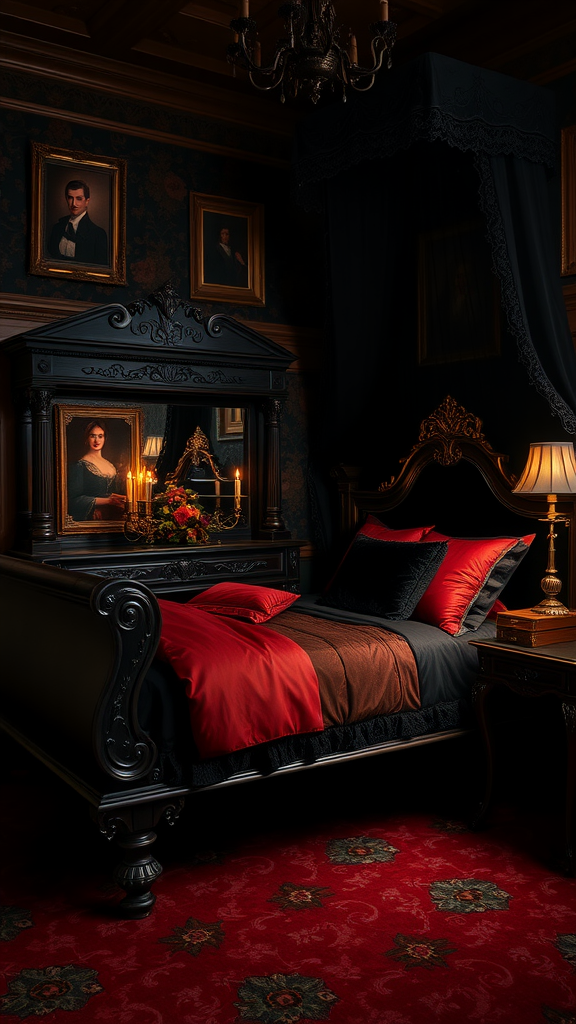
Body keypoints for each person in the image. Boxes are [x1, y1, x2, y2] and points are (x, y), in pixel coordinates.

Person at [68, 420, 126, 521]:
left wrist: (120, 497)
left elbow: (107, 492)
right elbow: (74, 500)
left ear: (105, 438)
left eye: (100, 436)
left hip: (112, 518)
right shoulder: (79, 465)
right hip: (93, 518)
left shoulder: (110, 465)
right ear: (87, 438)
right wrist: (108, 501)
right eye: (92, 436)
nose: (97, 441)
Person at [47, 180, 108, 265]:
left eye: (79, 198)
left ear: (87, 201)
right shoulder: (57, 228)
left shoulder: (98, 234)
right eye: (70, 198)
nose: (74, 204)